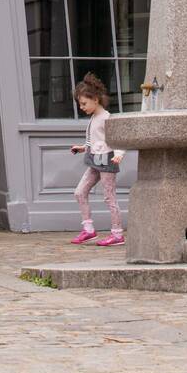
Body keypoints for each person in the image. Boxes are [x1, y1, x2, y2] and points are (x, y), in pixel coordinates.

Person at [69, 73, 125, 246]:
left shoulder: (107, 118)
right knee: (80, 192)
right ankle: (89, 230)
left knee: (109, 197)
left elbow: (117, 139)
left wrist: (119, 154)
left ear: (95, 99)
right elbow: (94, 140)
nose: (81, 107)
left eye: (84, 103)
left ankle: (117, 234)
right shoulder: (94, 118)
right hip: (94, 160)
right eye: (80, 104)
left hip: (107, 162)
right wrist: (82, 148)